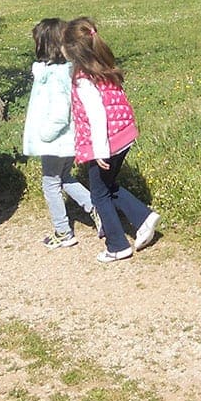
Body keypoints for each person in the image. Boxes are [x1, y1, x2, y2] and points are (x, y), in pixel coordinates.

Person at [63, 17, 157, 263]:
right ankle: (143, 217)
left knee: (99, 195)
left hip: (107, 143)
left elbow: (97, 116)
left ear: (73, 49)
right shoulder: (103, 66)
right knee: (108, 185)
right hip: (124, 136)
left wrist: (100, 151)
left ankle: (117, 245)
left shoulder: (83, 79)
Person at [21, 17, 97, 248]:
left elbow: (59, 112)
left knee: (50, 184)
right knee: (63, 178)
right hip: (66, 139)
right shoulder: (64, 71)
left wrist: (45, 135)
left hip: (55, 141)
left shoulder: (54, 76)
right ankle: (95, 206)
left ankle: (63, 230)